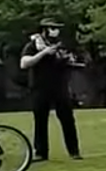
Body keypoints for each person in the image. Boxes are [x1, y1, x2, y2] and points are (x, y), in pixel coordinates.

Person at [21, 18, 82, 161]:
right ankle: (41, 152)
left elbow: (69, 59)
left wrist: (68, 60)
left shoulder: (61, 45)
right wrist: (44, 53)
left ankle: (74, 151)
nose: (56, 31)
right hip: (40, 88)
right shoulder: (33, 45)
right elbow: (24, 63)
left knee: (67, 119)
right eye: (53, 28)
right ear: (45, 29)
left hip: (60, 87)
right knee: (40, 121)